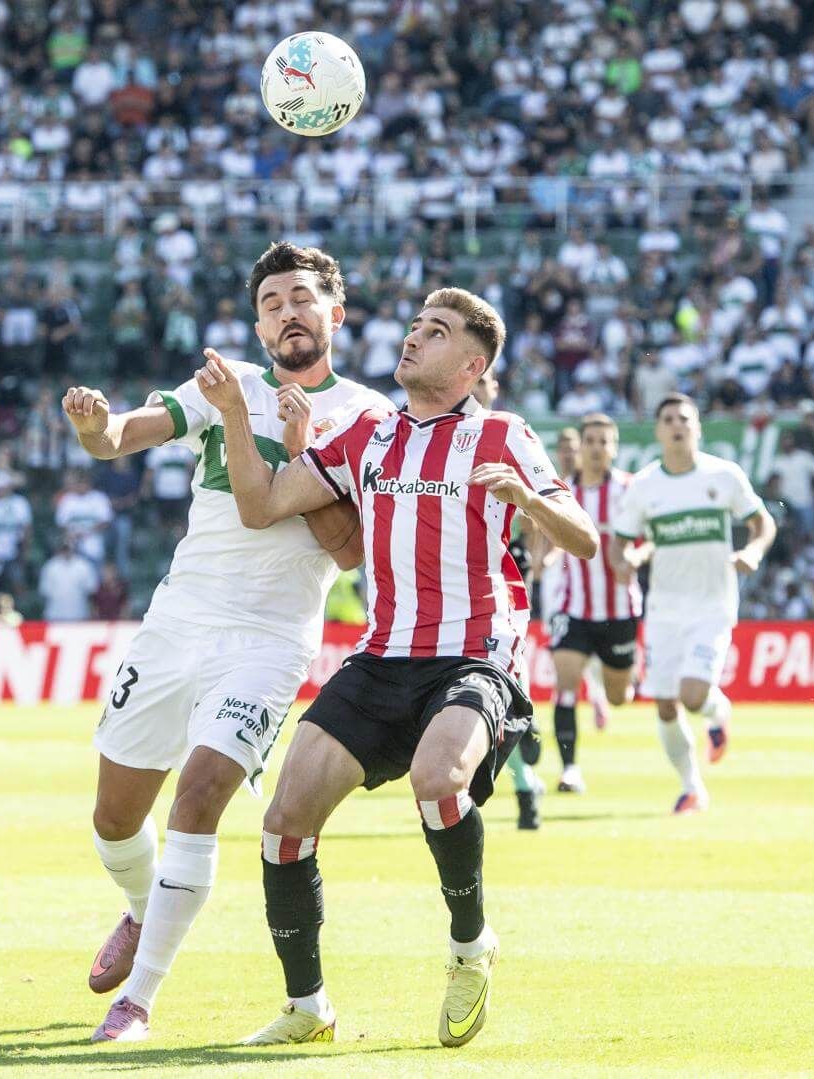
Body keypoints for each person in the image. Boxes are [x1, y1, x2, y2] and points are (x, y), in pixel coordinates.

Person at [203, 286, 597, 1048]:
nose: (414, 337)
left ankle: (469, 945)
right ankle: (308, 1004)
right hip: (383, 654)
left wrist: (528, 500)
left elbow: (582, 537)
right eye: (416, 325)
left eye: (437, 331)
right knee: (284, 823)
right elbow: (262, 505)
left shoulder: (504, 436)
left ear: (473, 364)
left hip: (474, 650)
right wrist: (232, 416)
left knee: (438, 778)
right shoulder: (368, 435)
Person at [61, 242, 392, 1044]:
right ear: (258, 322)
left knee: (201, 793)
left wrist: (304, 447)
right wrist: (94, 424)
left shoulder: (370, 415)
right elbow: (119, 440)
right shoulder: (228, 383)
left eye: (303, 298)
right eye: (273, 301)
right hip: (178, 620)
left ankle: (136, 1000)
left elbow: (349, 549)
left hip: (271, 637)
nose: (288, 311)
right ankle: (144, 910)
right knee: (113, 818)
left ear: (335, 313)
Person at [618, 394, 777, 815]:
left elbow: (762, 521)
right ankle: (692, 788)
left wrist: (754, 551)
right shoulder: (645, 485)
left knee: (691, 696)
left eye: (684, 418)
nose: (676, 425)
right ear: (658, 430)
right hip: (664, 609)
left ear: (698, 427)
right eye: (668, 418)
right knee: (666, 703)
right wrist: (627, 560)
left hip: (712, 605)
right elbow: (621, 540)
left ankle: (717, 712)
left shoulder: (724, 475)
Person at [543, 414, 643, 793]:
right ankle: (570, 770)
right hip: (574, 607)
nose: (598, 448)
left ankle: (618, 682)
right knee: (564, 685)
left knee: (620, 698)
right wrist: (547, 557)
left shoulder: (629, 490)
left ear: (614, 447)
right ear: (581, 448)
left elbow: (649, 539)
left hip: (619, 609)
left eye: (605, 441)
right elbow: (551, 539)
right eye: (592, 441)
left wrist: (636, 556)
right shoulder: (564, 492)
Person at [471, 366, 547, 831]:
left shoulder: (507, 436)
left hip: (501, 586)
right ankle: (523, 777)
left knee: (499, 697)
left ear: (492, 388)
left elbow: (539, 513)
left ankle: (524, 791)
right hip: (456, 590)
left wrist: (530, 568)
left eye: (482, 385)